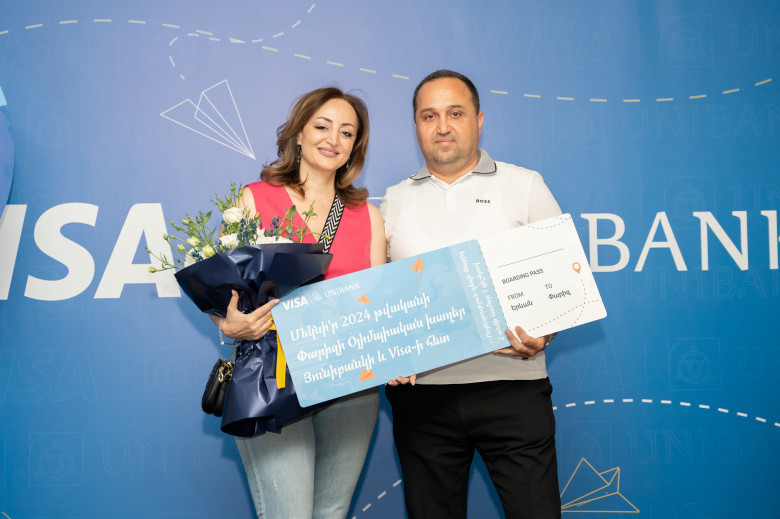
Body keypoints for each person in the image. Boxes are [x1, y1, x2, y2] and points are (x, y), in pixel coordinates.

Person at [381, 70, 563, 518]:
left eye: (455, 113)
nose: (442, 126)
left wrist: (546, 333)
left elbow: (563, 284)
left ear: (479, 120)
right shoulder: (393, 200)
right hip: (422, 400)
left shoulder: (525, 185)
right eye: (429, 116)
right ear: (416, 125)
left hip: (514, 389)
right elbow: (378, 300)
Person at [214, 87, 386, 518]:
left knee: (331, 512)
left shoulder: (368, 216)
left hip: (352, 384)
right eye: (322, 126)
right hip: (273, 379)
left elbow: (380, 305)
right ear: (299, 134)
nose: (333, 139)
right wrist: (229, 325)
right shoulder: (254, 199)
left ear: (354, 147)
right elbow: (223, 293)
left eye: (346, 132)